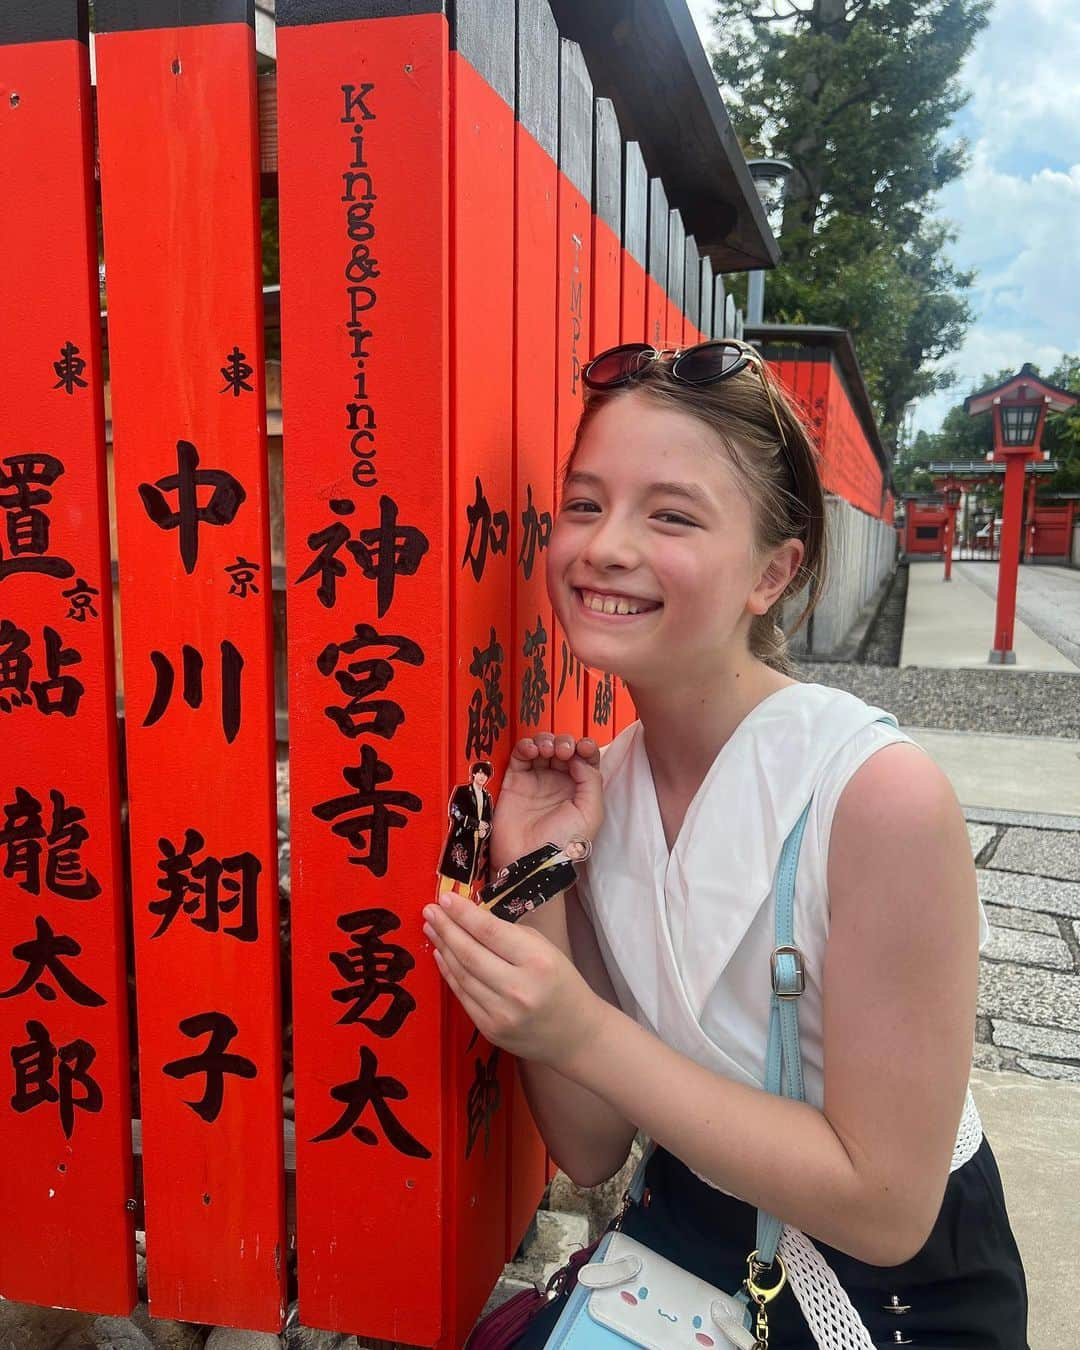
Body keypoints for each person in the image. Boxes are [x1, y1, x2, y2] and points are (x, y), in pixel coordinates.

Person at [422, 341, 1028, 1348]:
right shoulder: (602, 794)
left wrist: (582, 1030)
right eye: (583, 504)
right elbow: (588, 1144)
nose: (605, 546)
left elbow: (886, 1207)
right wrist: (541, 884)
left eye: (670, 515)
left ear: (773, 572)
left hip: (890, 1295)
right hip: (698, 1233)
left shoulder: (876, 799)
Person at [436, 760, 494, 900]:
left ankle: (462, 907)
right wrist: (475, 823)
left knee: (467, 879)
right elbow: (455, 811)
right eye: (479, 773)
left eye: (485, 774)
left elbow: (489, 820)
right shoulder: (463, 791)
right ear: (473, 773)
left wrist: (485, 831)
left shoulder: (487, 797)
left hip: (476, 843)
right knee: (451, 873)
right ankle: (442, 904)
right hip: (460, 838)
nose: (482, 777)